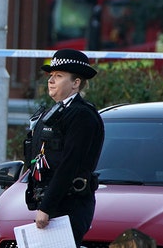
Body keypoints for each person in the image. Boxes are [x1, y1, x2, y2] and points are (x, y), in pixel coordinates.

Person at [24, 48, 104, 247]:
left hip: (69, 204)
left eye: (59, 76)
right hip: (54, 203)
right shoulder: (54, 112)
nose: (51, 80)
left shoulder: (82, 115)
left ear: (76, 83)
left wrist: (47, 207)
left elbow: (69, 164)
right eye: (51, 75)